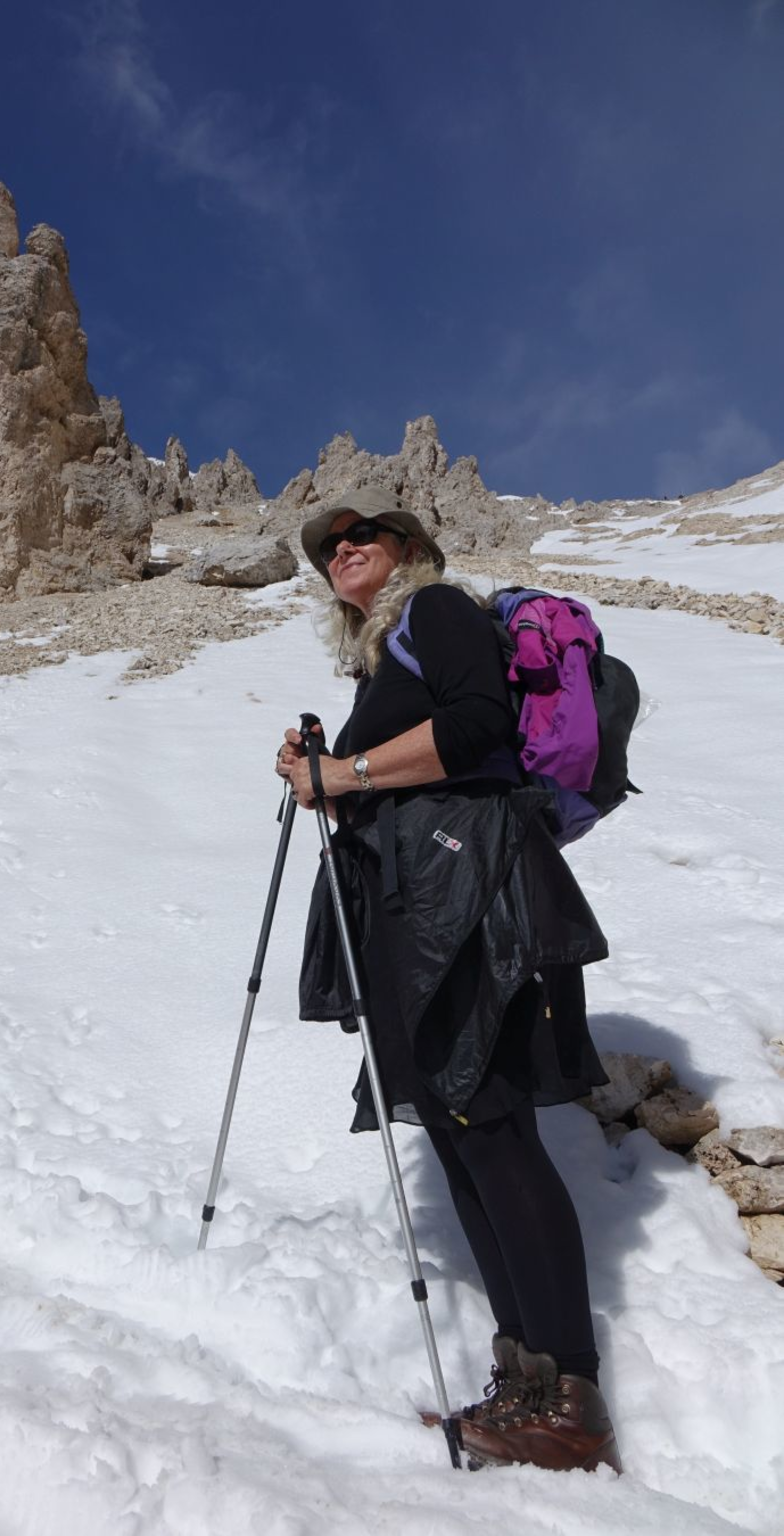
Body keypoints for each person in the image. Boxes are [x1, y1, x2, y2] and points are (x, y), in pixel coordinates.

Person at [275, 486, 621, 1474]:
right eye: (327, 546)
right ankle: (524, 1385)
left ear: (406, 544)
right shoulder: (385, 655)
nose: (341, 549)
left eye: (360, 534)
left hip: (472, 898)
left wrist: (343, 775)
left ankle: (571, 1399)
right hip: (420, 904)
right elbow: (389, 792)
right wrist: (323, 773)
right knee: (462, 1132)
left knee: (494, 1126)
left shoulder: (437, 613)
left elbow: (477, 731)